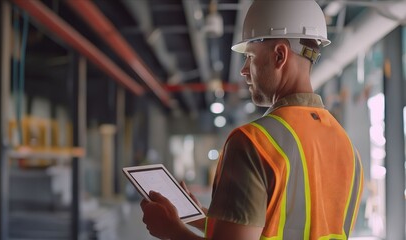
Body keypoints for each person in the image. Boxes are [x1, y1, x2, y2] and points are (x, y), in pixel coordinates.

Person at [140, 0, 364, 239]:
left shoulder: (253, 142)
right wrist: (201, 218)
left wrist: (171, 230)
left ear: (279, 55)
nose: (243, 70)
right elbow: (279, 227)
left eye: (249, 56)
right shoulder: (349, 149)